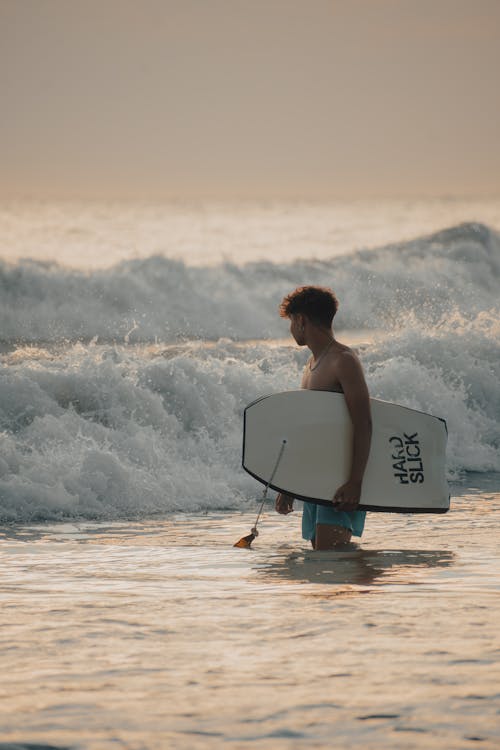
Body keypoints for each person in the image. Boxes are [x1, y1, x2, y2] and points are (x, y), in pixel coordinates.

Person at [276, 285, 372, 550]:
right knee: (323, 563)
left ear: (301, 320)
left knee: (332, 561)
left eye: (291, 321)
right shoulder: (310, 366)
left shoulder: (343, 361)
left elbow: (363, 424)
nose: (291, 329)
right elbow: (311, 433)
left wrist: (355, 482)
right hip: (316, 480)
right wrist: (289, 487)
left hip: (340, 480)